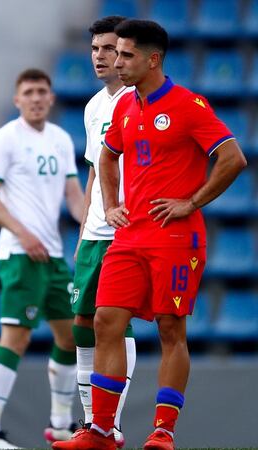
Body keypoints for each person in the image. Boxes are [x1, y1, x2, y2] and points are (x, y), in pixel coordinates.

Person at [54, 19, 247, 450]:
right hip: (129, 235)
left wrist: (191, 203)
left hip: (177, 238)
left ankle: (163, 430)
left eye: (125, 55)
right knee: (104, 321)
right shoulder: (124, 106)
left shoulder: (188, 105)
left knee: (169, 328)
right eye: (114, 53)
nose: (115, 62)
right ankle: (102, 430)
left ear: (153, 59)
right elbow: (106, 158)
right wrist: (111, 204)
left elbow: (233, 158)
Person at [0, 68, 85, 449]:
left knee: (71, 336)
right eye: (29, 92)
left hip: (53, 256)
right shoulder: (5, 139)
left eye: (42, 91)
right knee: (15, 338)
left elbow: (73, 195)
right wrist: (22, 232)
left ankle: (60, 424)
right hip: (20, 253)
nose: (36, 98)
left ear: (51, 98)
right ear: (17, 100)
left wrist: (95, 221)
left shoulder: (62, 139)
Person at [68, 15, 136, 449]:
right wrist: (82, 229)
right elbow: (96, 169)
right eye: (94, 49)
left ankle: (110, 424)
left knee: (111, 323)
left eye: (108, 49)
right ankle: (93, 422)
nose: (100, 56)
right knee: (81, 323)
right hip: (95, 229)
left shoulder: (140, 101)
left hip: (128, 228)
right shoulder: (95, 106)